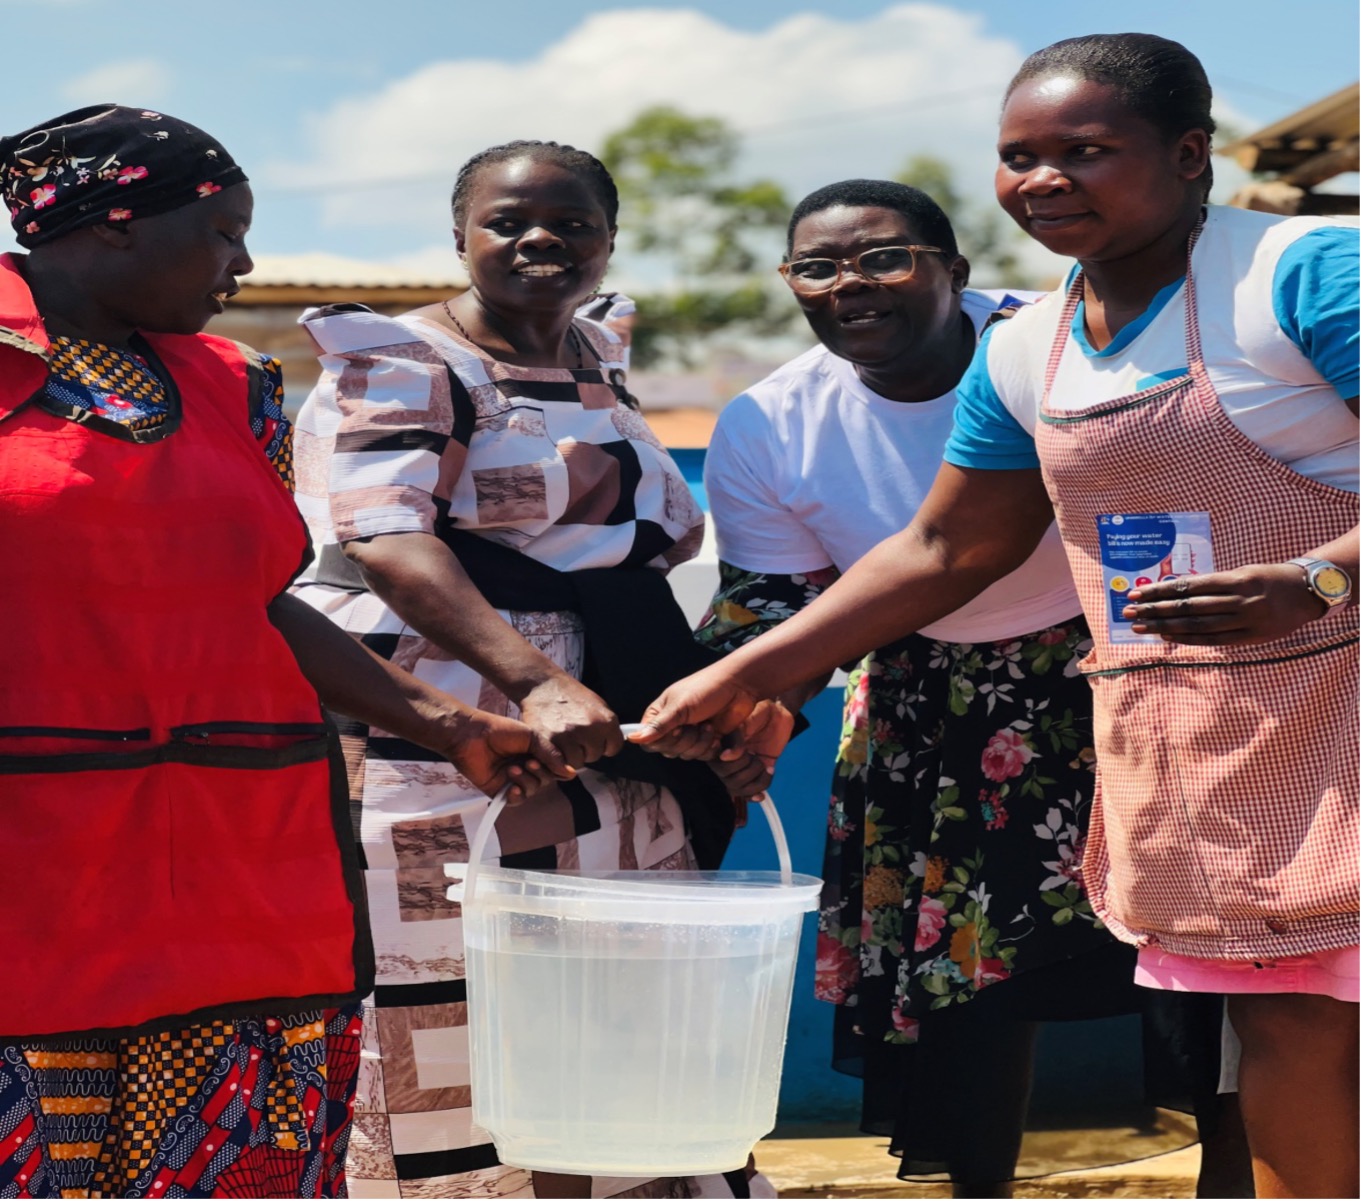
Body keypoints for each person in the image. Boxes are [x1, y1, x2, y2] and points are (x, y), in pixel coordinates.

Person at [637, 33, 1359, 1201]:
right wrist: (750, 673)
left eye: (1087, 150)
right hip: (1221, 745)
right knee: (1291, 1026)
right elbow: (945, 547)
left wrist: (1318, 580)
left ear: (1189, 154)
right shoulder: (1028, 351)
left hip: (1346, 703)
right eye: (1019, 156)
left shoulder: (1302, 276)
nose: (1045, 179)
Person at [0, 105, 565, 1199]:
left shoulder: (233, 384)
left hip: (238, 864)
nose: (245, 264)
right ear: (115, 222)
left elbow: (259, 602)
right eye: (223, 232)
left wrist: (452, 724)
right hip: (35, 861)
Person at [696, 178, 1248, 1197]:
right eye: (817, 267)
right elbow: (776, 607)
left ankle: (1241, 1179)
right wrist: (734, 724)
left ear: (954, 271)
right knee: (961, 978)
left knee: (1203, 946)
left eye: (884, 257)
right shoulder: (769, 423)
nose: (850, 284)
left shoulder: (1063, 348)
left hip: (1117, 661)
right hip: (922, 692)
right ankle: (977, 1187)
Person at [290, 139, 768, 1200]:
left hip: (613, 738)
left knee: (614, 986)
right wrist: (536, 682)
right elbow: (389, 542)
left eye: (571, 222)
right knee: (451, 981)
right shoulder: (401, 361)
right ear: (459, 236)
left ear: (609, 239)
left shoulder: (596, 351)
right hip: (455, 737)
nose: (540, 239)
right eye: (507, 222)